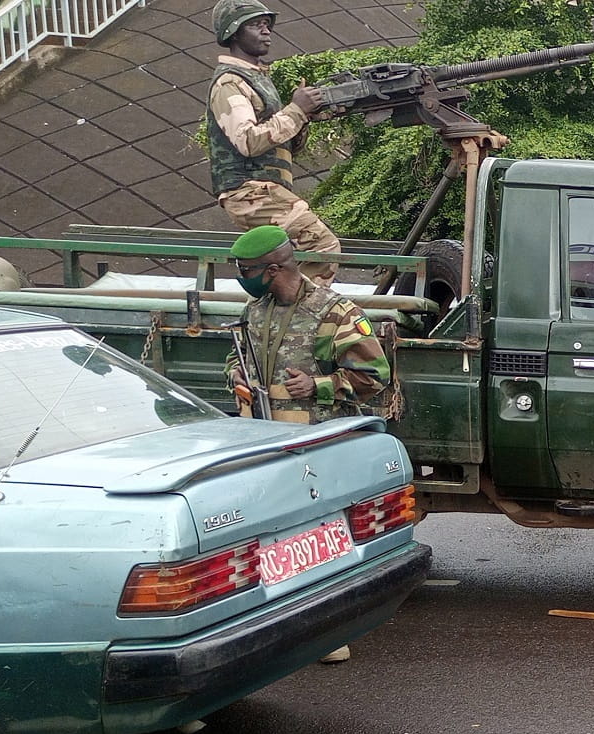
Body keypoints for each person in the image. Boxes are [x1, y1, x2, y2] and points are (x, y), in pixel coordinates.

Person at [228, 225, 390, 662]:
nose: (243, 278)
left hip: (316, 446)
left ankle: (329, 633)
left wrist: (318, 385)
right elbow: (235, 355)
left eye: (247, 270)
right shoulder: (256, 309)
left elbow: (375, 377)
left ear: (275, 268)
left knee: (320, 537)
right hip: (263, 442)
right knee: (268, 540)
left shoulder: (334, 311)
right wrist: (237, 376)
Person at [207, 0, 342, 285]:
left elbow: (282, 146)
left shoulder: (257, 79)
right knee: (322, 247)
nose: (266, 31)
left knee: (294, 260)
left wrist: (305, 116)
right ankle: (297, 316)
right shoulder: (230, 83)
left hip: (263, 192)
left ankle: (284, 309)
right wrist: (296, 110)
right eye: (256, 25)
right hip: (250, 193)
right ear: (234, 32)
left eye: (267, 25)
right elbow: (248, 141)